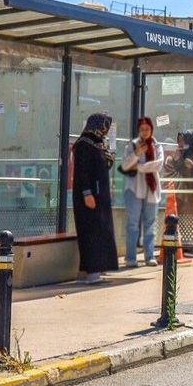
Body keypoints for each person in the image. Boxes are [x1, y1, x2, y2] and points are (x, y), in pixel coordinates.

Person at [72, 113, 119, 283]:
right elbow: (82, 172)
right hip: (89, 196)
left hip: (100, 196)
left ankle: (91, 269)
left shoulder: (98, 143)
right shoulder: (84, 144)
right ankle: (91, 271)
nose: (105, 130)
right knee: (91, 231)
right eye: (104, 125)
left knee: (101, 230)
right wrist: (87, 194)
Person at [120, 116, 164, 267]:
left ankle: (149, 256)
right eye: (142, 129)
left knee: (150, 224)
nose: (145, 132)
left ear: (151, 130)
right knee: (132, 224)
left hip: (151, 190)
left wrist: (139, 167)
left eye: (147, 129)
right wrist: (137, 154)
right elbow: (125, 166)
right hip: (134, 189)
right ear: (139, 130)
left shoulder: (157, 146)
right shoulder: (132, 146)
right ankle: (130, 258)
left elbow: (158, 165)